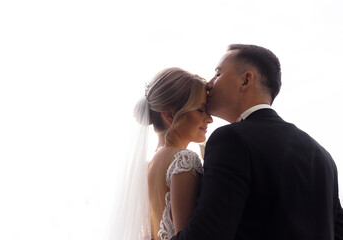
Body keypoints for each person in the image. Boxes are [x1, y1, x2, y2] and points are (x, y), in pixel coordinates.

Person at [170, 44, 343, 240]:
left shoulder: (230, 140)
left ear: (246, 80)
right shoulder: (322, 156)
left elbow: (208, 233)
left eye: (218, 74)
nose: (209, 83)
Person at [109, 67, 213, 240]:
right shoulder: (184, 160)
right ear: (170, 115)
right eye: (201, 110)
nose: (209, 118)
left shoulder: (145, 167)